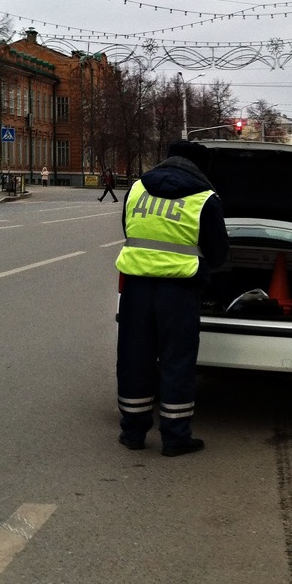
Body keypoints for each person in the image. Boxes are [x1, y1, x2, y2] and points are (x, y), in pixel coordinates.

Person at [115, 141, 228, 457]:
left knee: (134, 358)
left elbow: (129, 231)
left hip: (136, 289)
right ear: (200, 167)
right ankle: (175, 437)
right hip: (178, 293)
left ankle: (133, 433)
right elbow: (218, 255)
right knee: (176, 361)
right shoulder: (204, 199)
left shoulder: (137, 189)